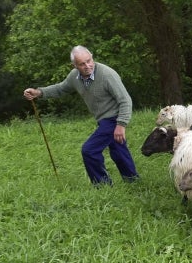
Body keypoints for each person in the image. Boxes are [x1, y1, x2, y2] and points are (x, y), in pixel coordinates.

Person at [23, 45, 140, 186]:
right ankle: (133, 181)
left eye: (89, 61)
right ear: (74, 65)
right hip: (103, 119)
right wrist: (38, 92)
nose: (87, 66)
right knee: (118, 150)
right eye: (82, 64)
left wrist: (121, 125)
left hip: (114, 118)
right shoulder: (74, 76)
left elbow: (125, 100)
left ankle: (102, 186)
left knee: (89, 150)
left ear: (92, 57)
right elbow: (61, 88)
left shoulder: (107, 74)